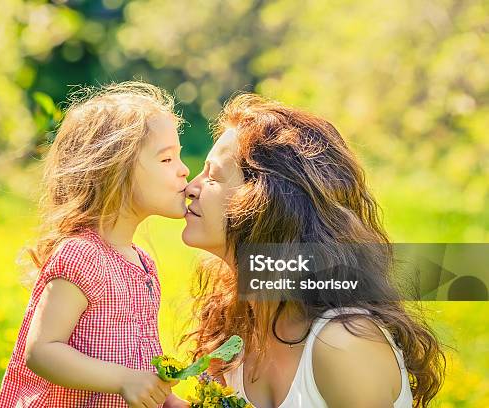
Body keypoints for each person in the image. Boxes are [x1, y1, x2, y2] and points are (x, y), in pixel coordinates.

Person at [180, 93, 445, 408]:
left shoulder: (343, 345)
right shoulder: (235, 326)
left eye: (213, 177)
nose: (190, 187)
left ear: (265, 204)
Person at [0, 81, 188, 407]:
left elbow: (139, 362)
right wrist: (124, 380)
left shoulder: (143, 266)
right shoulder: (82, 256)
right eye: (167, 160)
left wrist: (168, 401)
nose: (184, 170)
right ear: (115, 171)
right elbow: (41, 351)